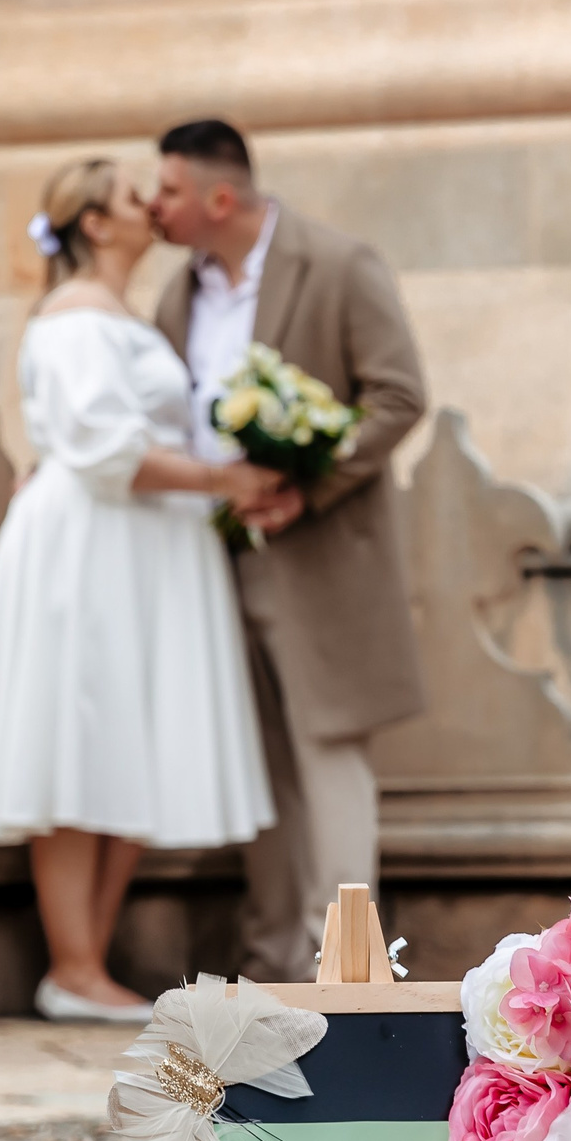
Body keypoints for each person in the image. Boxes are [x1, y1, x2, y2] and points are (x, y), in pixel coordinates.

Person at [0, 157, 281, 1024]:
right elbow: (103, 450)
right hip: (90, 545)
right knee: (79, 737)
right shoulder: (74, 322)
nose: (155, 207)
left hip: (143, 547)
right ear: (97, 223)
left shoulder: (123, 318)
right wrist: (228, 482)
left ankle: (87, 965)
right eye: (139, 198)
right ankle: (72, 961)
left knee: (131, 740)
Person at [150, 118, 429, 984]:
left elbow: (398, 395)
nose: (151, 207)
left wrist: (308, 483)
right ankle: (269, 962)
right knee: (252, 760)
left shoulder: (339, 264)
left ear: (216, 197)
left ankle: (342, 971)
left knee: (329, 757)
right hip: (208, 561)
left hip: (321, 561)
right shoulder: (176, 294)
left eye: (165, 191)